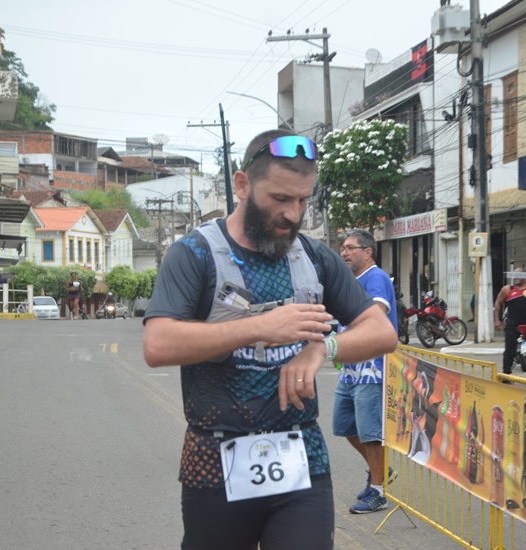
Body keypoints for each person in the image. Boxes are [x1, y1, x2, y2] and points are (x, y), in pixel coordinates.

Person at [143, 130, 398, 550]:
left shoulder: (313, 256)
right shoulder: (195, 253)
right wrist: (259, 326)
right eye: (280, 198)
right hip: (214, 462)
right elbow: (158, 344)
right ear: (242, 184)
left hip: (301, 460)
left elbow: (382, 331)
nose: (293, 215)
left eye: (303, 201)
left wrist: (323, 348)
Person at [333, 229, 397, 514]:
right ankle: (380, 469)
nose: (344, 252)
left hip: (372, 368)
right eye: (343, 248)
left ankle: (378, 492)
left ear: (368, 252)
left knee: (370, 433)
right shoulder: (353, 280)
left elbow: (377, 311)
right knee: (344, 426)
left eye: (350, 248)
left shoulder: (375, 277)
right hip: (351, 369)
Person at [494, 267, 526, 376]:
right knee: (509, 350)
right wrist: (497, 320)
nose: (516, 278)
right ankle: (506, 374)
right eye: (514, 275)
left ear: (524, 277)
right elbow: (498, 303)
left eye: (518, 275)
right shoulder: (507, 289)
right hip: (513, 325)